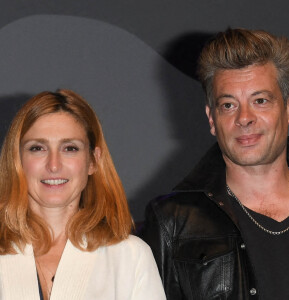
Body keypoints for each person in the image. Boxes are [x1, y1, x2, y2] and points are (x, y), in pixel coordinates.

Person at [139, 28, 289, 299]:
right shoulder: (173, 223)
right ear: (212, 119)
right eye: (228, 105)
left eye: (260, 101)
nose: (244, 118)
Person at [0, 89, 166, 300]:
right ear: (17, 160)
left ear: (93, 161)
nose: (53, 165)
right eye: (37, 148)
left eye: (70, 148)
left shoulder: (130, 256)